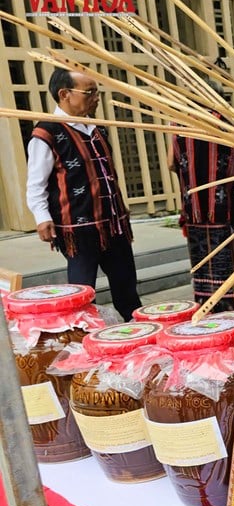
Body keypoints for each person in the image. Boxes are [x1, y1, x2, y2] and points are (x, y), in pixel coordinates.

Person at [26, 68, 142, 321]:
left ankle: (138, 333)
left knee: (126, 288)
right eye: (89, 93)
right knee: (82, 292)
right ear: (64, 94)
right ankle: (82, 335)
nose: (96, 98)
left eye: (97, 92)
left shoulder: (98, 127)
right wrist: (42, 217)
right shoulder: (46, 133)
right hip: (78, 229)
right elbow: (36, 183)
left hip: (113, 224)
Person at [168, 100, 234, 312]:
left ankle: (206, 304)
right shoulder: (225, 122)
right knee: (230, 254)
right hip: (224, 208)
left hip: (195, 209)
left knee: (202, 261)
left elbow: (171, 163)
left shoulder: (178, 122)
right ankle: (232, 304)